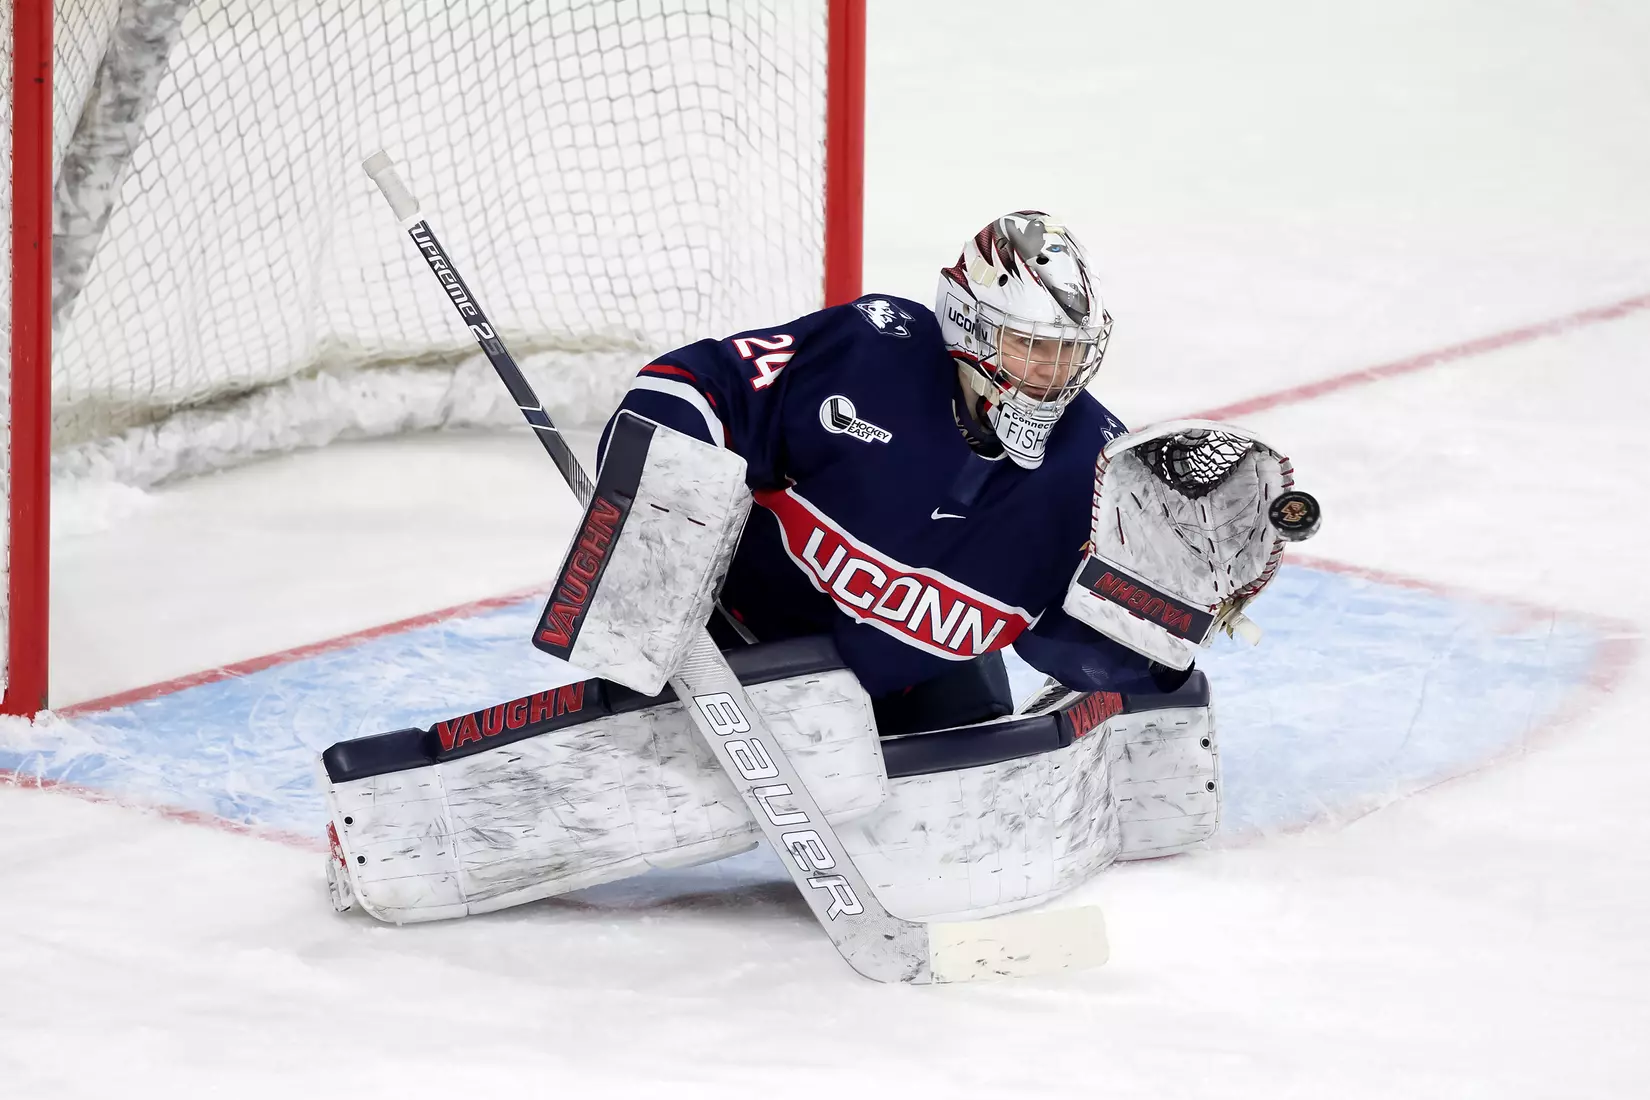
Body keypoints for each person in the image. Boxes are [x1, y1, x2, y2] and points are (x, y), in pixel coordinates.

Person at [596, 210, 1188, 731]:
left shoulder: (1098, 465)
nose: (1050, 374)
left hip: (917, 688)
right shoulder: (867, 353)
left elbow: (1088, 648)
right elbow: (701, 386)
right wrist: (649, 489)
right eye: (1029, 346)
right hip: (727, 645)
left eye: (1069, 351)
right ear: (970, 325)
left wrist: (1175, 612)